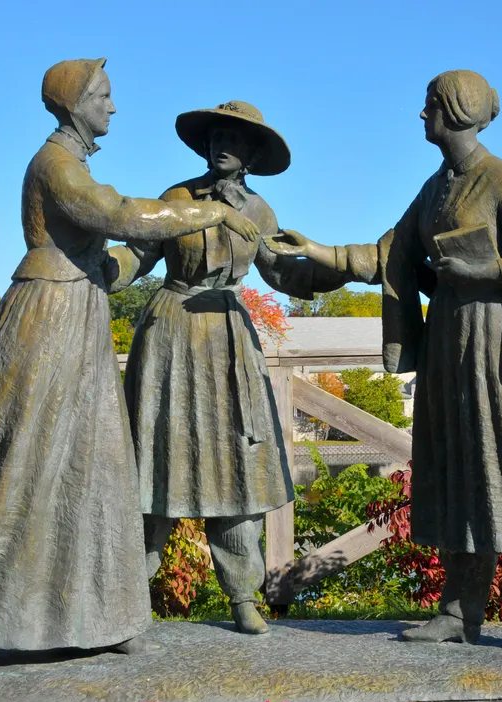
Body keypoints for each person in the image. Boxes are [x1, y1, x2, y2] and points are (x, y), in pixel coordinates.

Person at [0, 59, 260, 665]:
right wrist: (211, 211)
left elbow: (112, 254)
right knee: (18, 461)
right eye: (104, 96)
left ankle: (100, 615)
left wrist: (124, 266)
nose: (113, 107)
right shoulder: (58, 165)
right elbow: (119, 214)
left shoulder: (73, 163)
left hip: (82, 312)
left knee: (93, 468)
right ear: (76, 103)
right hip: (48, 319)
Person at [266, 70, 502, 663]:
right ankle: (460, 613)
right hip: (452, 353)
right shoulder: (435, 190)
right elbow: (389, 255)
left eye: (428, 105)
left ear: (455, 111)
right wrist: (319, 252)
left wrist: (495, 272)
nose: (420, 115)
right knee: (459, 480)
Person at [111, 100, 348, 634]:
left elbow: (285, 274)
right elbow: (138, 253)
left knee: (238, 464)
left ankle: (243, 595)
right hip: (170, 333)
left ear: (253, 155)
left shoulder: (260, 212)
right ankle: (129, 597)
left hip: (227, 337)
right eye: (216, 136)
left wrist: (341, 269)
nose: (222, 145)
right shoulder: (176, 198)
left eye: (235, 140)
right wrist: (97, 271)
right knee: (154, 461)